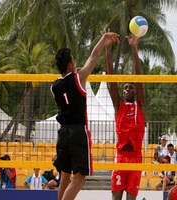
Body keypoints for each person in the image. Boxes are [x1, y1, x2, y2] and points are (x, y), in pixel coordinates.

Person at [51, 32, 119, 200]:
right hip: (78, 132)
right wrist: (103, 40)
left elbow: (69, 90)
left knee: (65, 177)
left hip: (63, 133)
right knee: (79, 179)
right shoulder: (79, 77)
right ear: (69, 64)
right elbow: (94, 56)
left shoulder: (54, 87)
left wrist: (79, 77)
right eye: (73, 59)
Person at [105, 34, 145, 200]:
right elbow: (111, 80)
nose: (127, 89)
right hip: (121, 157)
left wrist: (134, 49)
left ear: (136, 92)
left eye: (131, 87)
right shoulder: (118, 105)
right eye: (125, 88)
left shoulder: (140, 105)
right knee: (116, 198)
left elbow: (139, 78)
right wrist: (107, 51)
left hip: (136, 158)